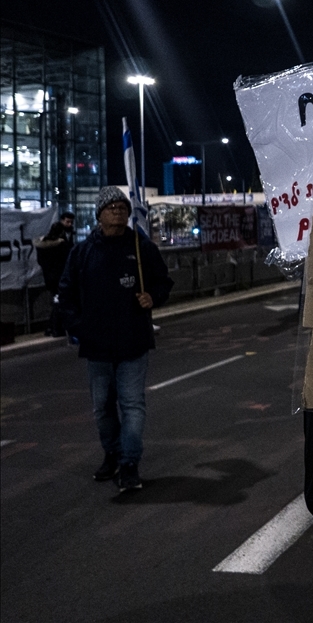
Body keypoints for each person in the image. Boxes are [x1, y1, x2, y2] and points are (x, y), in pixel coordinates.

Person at [59, 186, 172, 491]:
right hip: (96, 346)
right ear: (99, 214)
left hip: (133, 342)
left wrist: (154, 297)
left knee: (133, 404)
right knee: (103, 407)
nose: (119, 212)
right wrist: (79, 327)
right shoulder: (82, 252)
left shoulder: (141, 248)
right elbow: (66, 294)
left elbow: (163, 282)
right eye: (112, 208)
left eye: (122, 208)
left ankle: (130, 463)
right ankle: (112, 453)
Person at [35, 212, 75, 336]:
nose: (70, 224)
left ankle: (52, 328)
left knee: (58, 301)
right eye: (67, 222)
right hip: (58, 277)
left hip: (52, 278)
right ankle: (55, 328)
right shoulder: (60, 245)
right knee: (59, 301)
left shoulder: (44, 245)